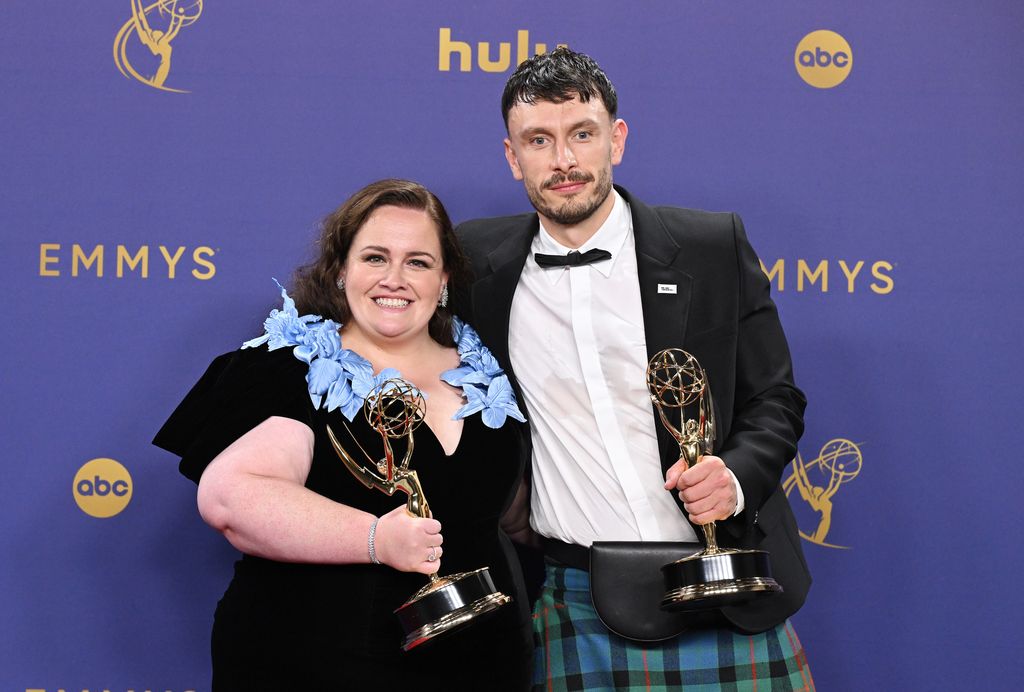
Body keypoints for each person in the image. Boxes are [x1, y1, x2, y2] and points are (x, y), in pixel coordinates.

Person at [454, 48, 814, 690]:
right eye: (539, 140)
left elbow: (775, 398)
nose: (563, 160)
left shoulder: (710, 246)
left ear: (615, 139)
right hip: (577, 595)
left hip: (731, 578)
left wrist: (735, 475)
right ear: (513, 157)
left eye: (581, 135)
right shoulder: (476, 268)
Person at [154, 179, 533, 690]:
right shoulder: (290, 369)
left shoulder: (489, 372)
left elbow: (513, 514)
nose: (395, 279)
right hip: (316, 664)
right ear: (340, 271)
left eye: (418, 262)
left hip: (482, 667)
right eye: (375, 258)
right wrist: (376, 539)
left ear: (444, 278)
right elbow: (231, 497)